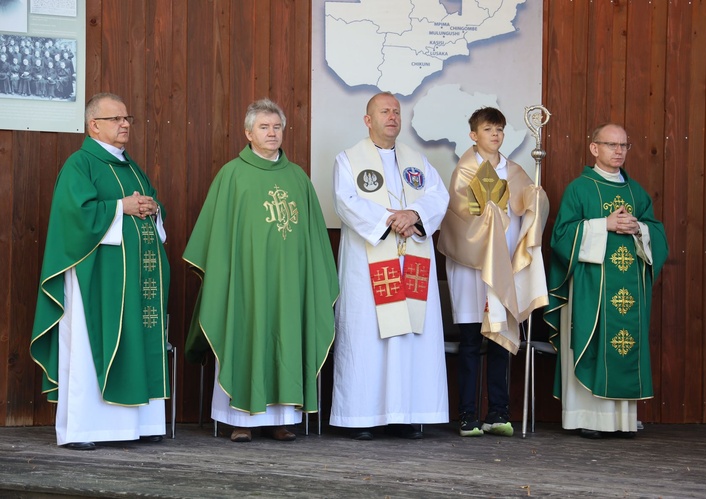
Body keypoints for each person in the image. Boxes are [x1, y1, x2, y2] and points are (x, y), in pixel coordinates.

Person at [183, 98, 338, 443]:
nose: (272, 133)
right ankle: (239, 419)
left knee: (286, 334)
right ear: (248, 133)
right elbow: (218, 238)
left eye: (277, 127)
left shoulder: (297, 177)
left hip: (290, 283)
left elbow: (313, 239)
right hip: (246, 281)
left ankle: (282, 419)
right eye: (264, 127)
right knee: (246, 333)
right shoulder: (232, 175)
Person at [30, 92, 170, 450]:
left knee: (137, 338)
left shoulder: (132, 167)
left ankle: (140, 424)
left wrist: (153, 209)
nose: (125, 125)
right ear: (94, 125)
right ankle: (85, 429)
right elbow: (74, 217)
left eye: (128, 119)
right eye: (116, 119)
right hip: (96, 277)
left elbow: (147, 208)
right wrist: (120, 206)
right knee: (90, 342)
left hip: (134, 279)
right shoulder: (81, 164)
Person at [330, 91, 450, 440]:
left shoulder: (418, 161)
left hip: (411, 258)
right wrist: (390, 220)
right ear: (368, 120)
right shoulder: (348, 159)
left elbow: (438, 196)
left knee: (411, 335)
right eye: (384, 111)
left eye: (396, 111)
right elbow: (345, 201)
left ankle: (407, 413)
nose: (392, 117)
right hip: (371, 261)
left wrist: (413, 215)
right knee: (369, 337)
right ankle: (362, 416)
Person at [543, 123, 668, 438]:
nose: (619, 151)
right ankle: (587, 418)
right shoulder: (579, 188)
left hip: (628, 291)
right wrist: (604, 225)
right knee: (592, 342)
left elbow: (658, 234)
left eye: (624, 145)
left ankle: (621, 421)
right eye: (611, 144)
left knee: (622, 346)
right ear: (594, 148)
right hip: (590, 287)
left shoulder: (635, 191)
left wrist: (640, 229)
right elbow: (561, 236)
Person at [438, 107, 549, 437]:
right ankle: (468, 414)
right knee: (472, 339)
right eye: (489, 129)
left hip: (505, 268)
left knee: (501, 339)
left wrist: (535, 197)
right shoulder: (466, 172)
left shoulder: (515, 171)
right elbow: (458, 215)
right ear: (474, 135)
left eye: (500, 129)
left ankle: (498, 412)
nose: (496, 135)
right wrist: (487, 212)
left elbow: (529, 205)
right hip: (471, 269)